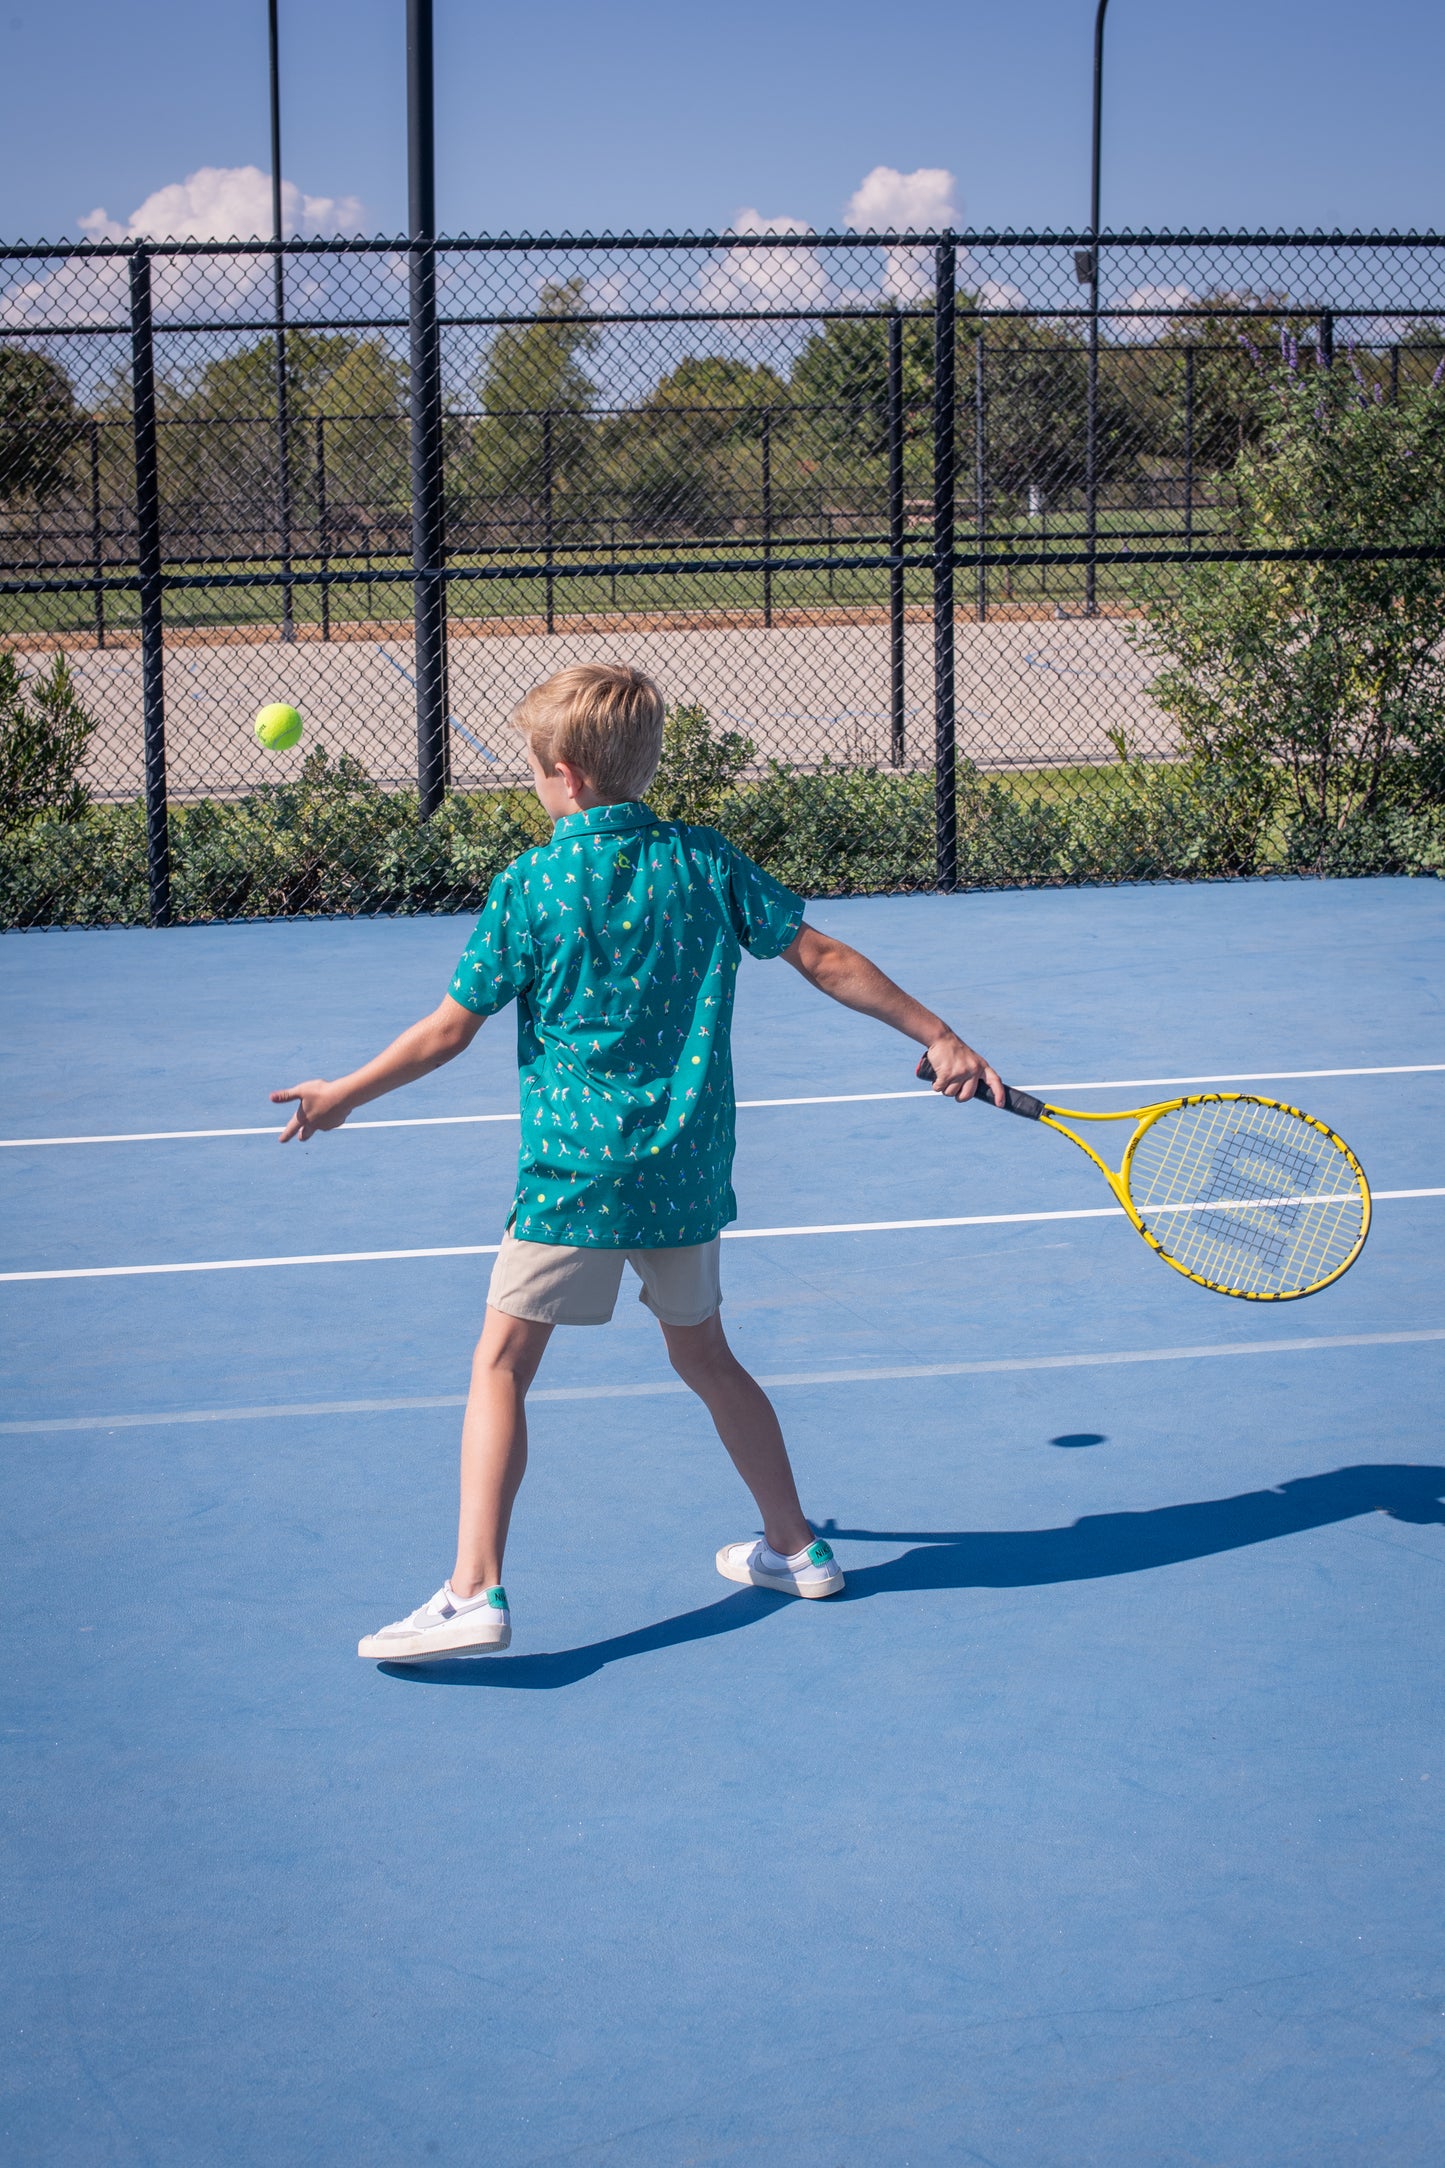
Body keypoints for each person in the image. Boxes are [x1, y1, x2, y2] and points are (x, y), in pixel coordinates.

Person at [271, 664, 1002, 1662]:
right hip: (684, 1175)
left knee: (498, 1365)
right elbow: (822, 955)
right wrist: (939, 1032)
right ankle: (795, 1543)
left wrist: (341, 1094)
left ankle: (472, 1589)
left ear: (563, 774)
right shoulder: (703, 861)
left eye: (532, 770)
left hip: (574, 1178)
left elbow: (449, 1031)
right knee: (704, 1354)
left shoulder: (530, 884)